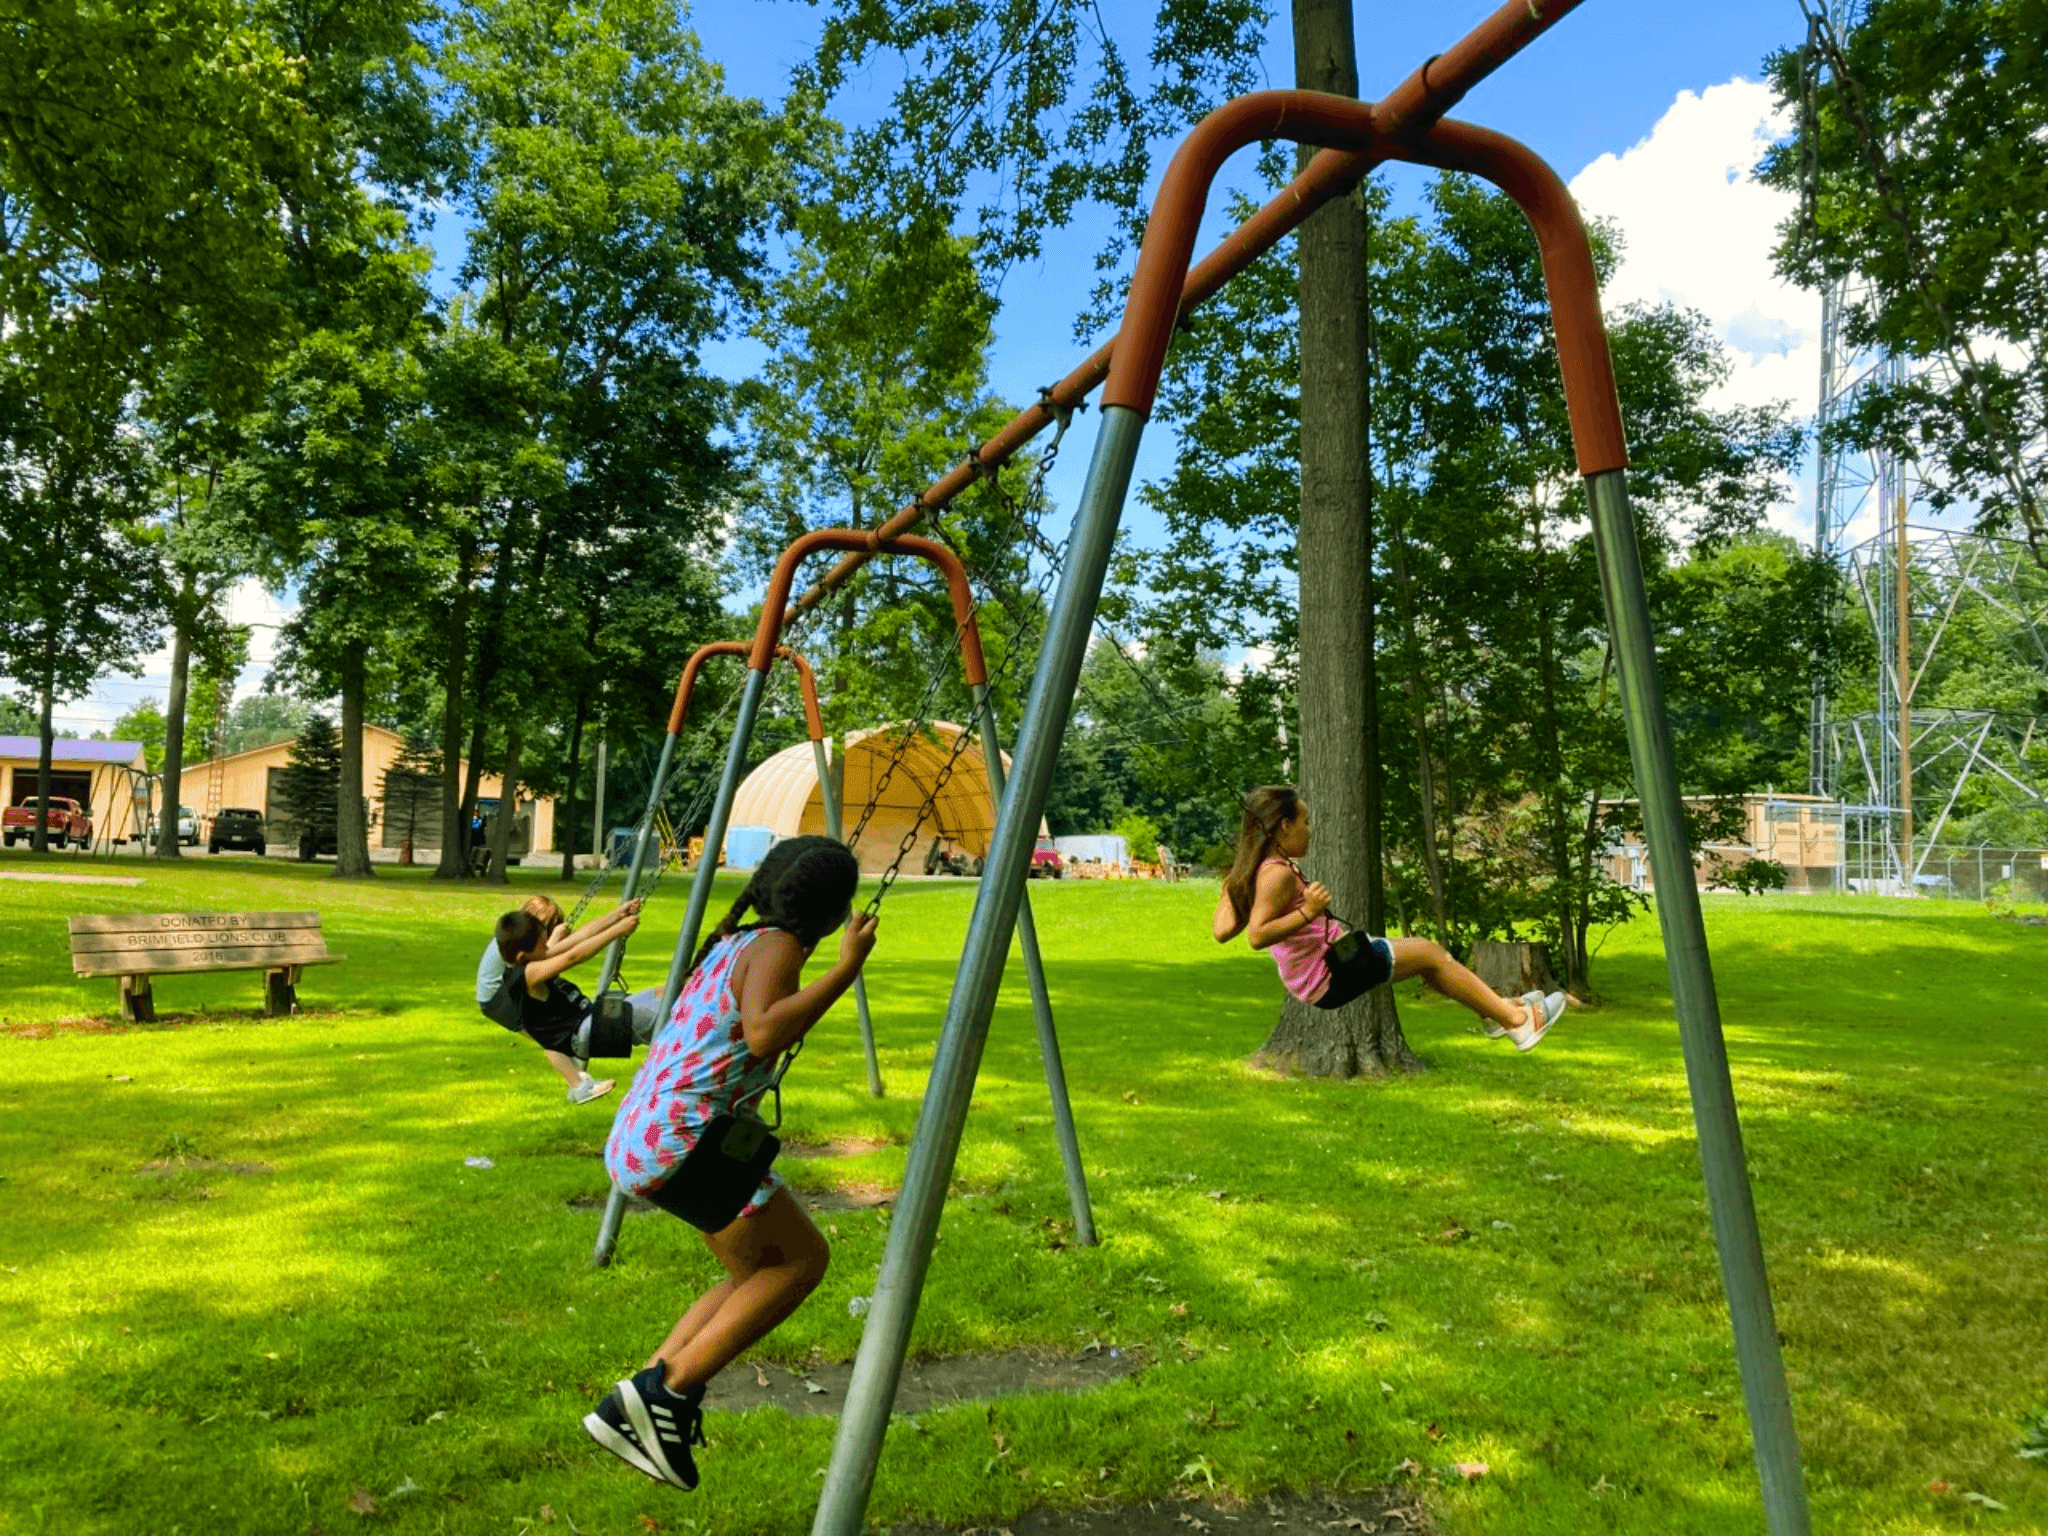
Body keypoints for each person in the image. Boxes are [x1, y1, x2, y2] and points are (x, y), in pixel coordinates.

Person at [582, 836, 878, 1491]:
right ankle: (673, 1391)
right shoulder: (776, 948)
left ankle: (640, 1399)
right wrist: (845, 969)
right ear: (831, 913)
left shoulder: (734, 942)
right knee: (802, 1262)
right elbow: (765, 1031)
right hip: (685, 1134)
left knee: (754, 1273)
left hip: (646, 1130)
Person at [1211, 785, 1568, 1048]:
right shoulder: (1276, 874)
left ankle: (1496, 1012)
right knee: (1431, 952)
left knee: (1429, 962)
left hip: (1329, 967)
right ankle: (1520, 1023)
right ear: (1284, 825)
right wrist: (1308, 911)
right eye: (1305, 821)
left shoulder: (1261, 870)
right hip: (1331, 972)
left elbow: (1221, 931)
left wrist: (1236, 881)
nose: (1310, 829)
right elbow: (1256, 936)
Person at [476, 894, 649, 1103]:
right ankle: (579, 1083)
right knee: (543, 1033)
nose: (548, 946)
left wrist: (617, 914)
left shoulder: (524, 955)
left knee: (656, 997)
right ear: (524, 953)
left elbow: (577, 939)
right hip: (582, 1031)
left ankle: (579, 1081)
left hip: (587, 1018)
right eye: (543, 943)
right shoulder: (527, 972)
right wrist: (617, 930)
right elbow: (573, 955)